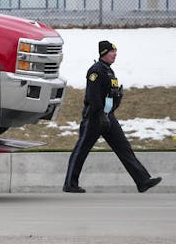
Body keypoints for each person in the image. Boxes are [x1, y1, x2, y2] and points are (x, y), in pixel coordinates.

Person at [63, 40, 162, 193]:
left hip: (109, 116)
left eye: (115, 52)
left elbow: (110, 94)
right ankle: (70, 184)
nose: (115, 54)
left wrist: (118, 98)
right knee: (82, 149)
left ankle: (142, 181)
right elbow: (93, 96)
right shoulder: (95, 71)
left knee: (124, 148)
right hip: (95, 117)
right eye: (112, 52)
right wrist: (100, 113)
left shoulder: (109, 71)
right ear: (104, 53)